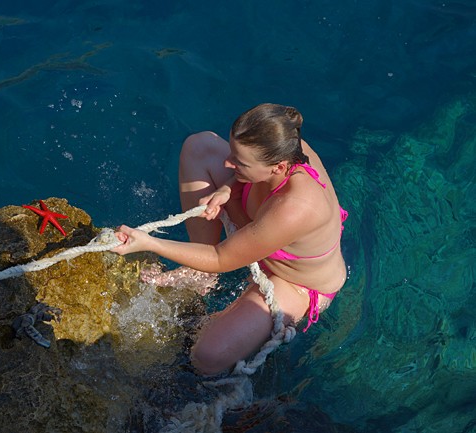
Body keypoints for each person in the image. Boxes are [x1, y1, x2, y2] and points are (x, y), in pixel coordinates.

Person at [111, 103, 348, 375]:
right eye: (233, 152)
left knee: (207, 356)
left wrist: (149, 242)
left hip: (295, 282)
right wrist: (227, 188)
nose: (227, 162)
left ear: (278, 167)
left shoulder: (298, 207)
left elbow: (221, 258)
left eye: (239, 163)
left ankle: (206, 273)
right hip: (263, 223)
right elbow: (244, 172)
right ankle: (200, 274)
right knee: (199, 147)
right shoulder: (286, 145)